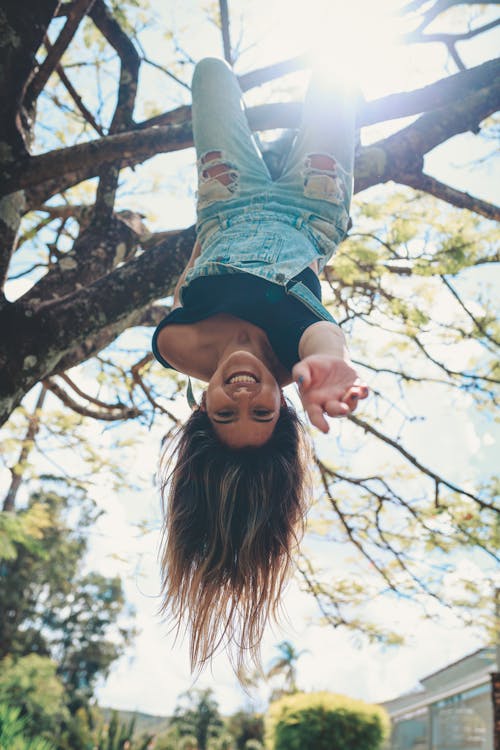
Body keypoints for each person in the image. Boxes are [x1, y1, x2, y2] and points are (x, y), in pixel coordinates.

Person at [152, 57, 368, 671]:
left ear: (200, 410)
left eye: (225, 411)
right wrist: (329, 365)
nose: (243, 391)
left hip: (226, 198)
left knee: (211, 74)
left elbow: (188, 275)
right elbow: (323, 334)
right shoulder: (298, 354)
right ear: (285, 406)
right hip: (314, 203)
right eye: (261, 410)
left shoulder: (176, 346)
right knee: (334, 77)